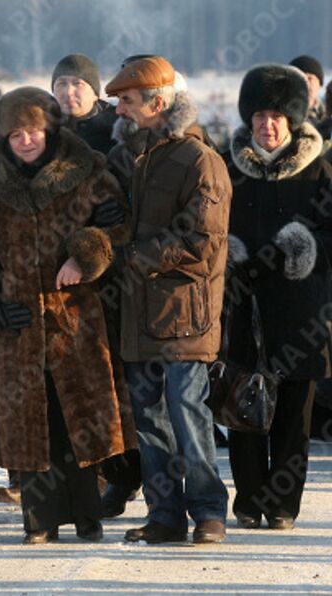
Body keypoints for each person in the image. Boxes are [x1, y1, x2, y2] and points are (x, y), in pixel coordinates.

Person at [0, 86, 136, 544]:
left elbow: (118, 226)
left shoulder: (88, 168)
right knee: (31, 422)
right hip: (16, 319)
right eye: (15, 133)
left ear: (50, 128)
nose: (25, 140)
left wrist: (87, 255)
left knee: (77, 418)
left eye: (33, 130)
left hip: (75, 313)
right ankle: (38, 521)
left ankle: (88, 516)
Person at [104, 56, 232, 544]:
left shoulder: (200, 160)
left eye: (127, 100)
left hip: (185, 314)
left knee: (188, 412)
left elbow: (201, 239)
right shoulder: (131, 158)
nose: (119, 110)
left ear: (158, 103)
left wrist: (129, 257)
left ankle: (208, 511)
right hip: (137, 313)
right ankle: (165, 515)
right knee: (150, 421)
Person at [223, 64, 332, 530]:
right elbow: (207, 223)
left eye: (277, 116)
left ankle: (283, 504)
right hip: (242, 303)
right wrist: (232, 253)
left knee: (293, 413)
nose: (267, 125)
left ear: (293, 120)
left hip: (300, 308)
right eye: (260, 115)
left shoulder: (319, 170)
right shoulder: (229, 167)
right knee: (242, 405)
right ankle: (248, 499)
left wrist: (295, 248)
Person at [51, 52, 141, 519]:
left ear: (94, 89)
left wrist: (99, 244)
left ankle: (124, 475)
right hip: (57, 277)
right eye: (62, 84)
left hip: (110, 273)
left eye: (78, 84)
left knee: (114, 379)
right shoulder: (42, 133)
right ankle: (78, 477)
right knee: (70, 380)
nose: (70, 93)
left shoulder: (114, 129)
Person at [289, 55, 326, 130]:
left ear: (319, 84)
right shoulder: (280, 116)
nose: (306, 83)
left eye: (310, 78)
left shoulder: (327, 115)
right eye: (300, 78)